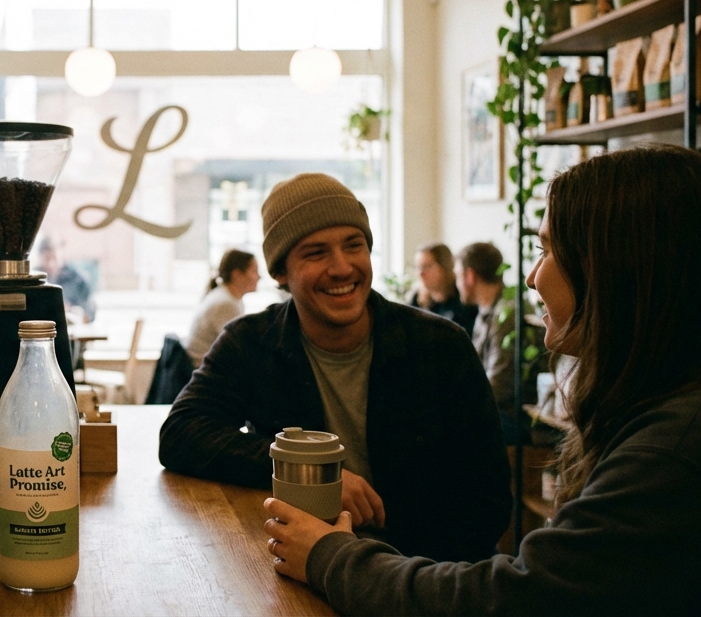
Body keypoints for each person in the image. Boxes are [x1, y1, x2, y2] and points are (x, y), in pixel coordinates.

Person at [268, 145, 701, 615]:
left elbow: (515, 601)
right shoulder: (682, 409)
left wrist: (329, 555)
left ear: (615, 269)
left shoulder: (681, 446)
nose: (532, 278)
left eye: (547, 252)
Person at [160, 173, 510, 564]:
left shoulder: (440, 346)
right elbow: (180, 434)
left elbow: (488, 501)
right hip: (304, 569)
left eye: (354, 245)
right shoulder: (253, 343)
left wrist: (386, 580)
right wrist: (309, 475)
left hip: (423, 575)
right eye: (315, 253)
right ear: (280, 273)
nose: (342, 267)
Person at [456, 241, 520, 441]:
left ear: (470, 276)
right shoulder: (485, 311)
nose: (456, 284)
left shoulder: (507, 314)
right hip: (497, 410)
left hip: (513, 416)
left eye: (458, 275)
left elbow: (498, 385)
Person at [184, 249, 260, 367]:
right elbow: (238, 348)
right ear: (237, 275)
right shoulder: (226, 303)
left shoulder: (227, 296)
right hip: (203, 371)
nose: (259, 277)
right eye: (254, 271)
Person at [410, 242, 477, 336]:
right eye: (418, 267)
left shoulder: (464, 298)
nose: (420, 273)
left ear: (445, 267)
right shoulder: (417, 299)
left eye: (426, 267)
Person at [37, 236, 96, 321]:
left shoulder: (78, 280)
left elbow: (90, 312)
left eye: (54, 259)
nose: (51, 264)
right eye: (47, 259)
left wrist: (71, 311)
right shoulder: (32, 281)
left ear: (62, 256)